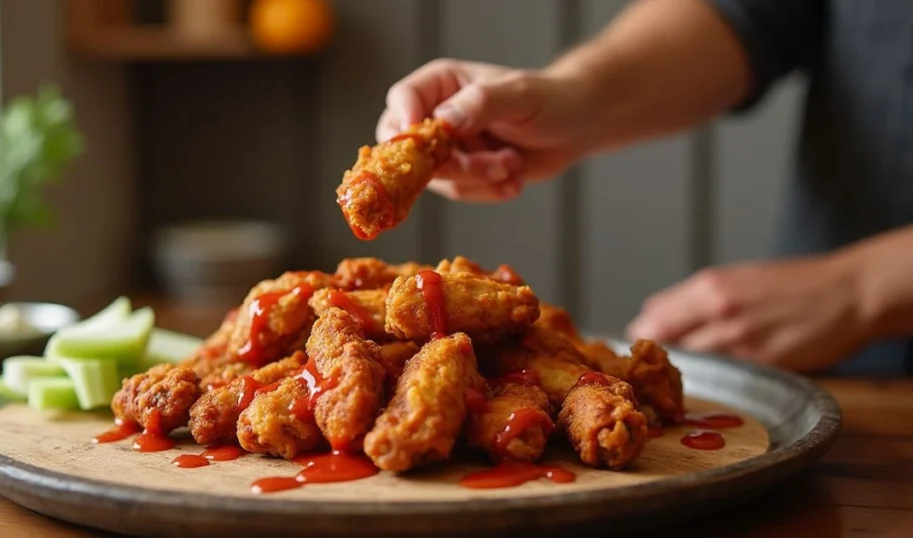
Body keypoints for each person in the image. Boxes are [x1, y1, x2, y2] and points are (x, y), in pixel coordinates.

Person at [375, 0, 913, 375]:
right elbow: (751, 10)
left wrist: (861, 288)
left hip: (834, 322)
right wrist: (575, 95)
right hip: (838, 376)